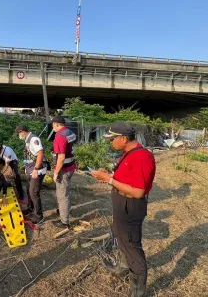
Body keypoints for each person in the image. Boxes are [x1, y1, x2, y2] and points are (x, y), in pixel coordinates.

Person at [91, 123, 156, 297]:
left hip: (130, 207)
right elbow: (126, 178)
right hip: (122, 204)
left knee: (132, 246)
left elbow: (137, 191)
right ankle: (121, 268)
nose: (110, 142)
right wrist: (109, 176)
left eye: (112, 139)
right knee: (121, 237)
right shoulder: (128, 153)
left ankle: (138, 291)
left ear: (124, 139)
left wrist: (109, 180)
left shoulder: (141, 157)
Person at [14, 125, 47, 224]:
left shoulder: (34, 139)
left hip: (37, 170)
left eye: (19, 133)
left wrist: (36, 169)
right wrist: (26, 167)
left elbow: (40, 153)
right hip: (30, 169)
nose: (19, 136)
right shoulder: (27, 140)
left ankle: (39, 215)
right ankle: (30, 208)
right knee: (29, 190)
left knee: (34, 192)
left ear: (22, 131)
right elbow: (30, 156)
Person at [51, 115, 77, 229]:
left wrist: (56, 172)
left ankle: (64, 221)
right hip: (71, 166)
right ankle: (62, 210)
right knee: (64, 192)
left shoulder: (60, 137)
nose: (53, 127)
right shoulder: (69, 132)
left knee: (62, 195)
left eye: (53, 125)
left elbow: (61, 158)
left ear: (56, 124)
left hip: (64, 169)